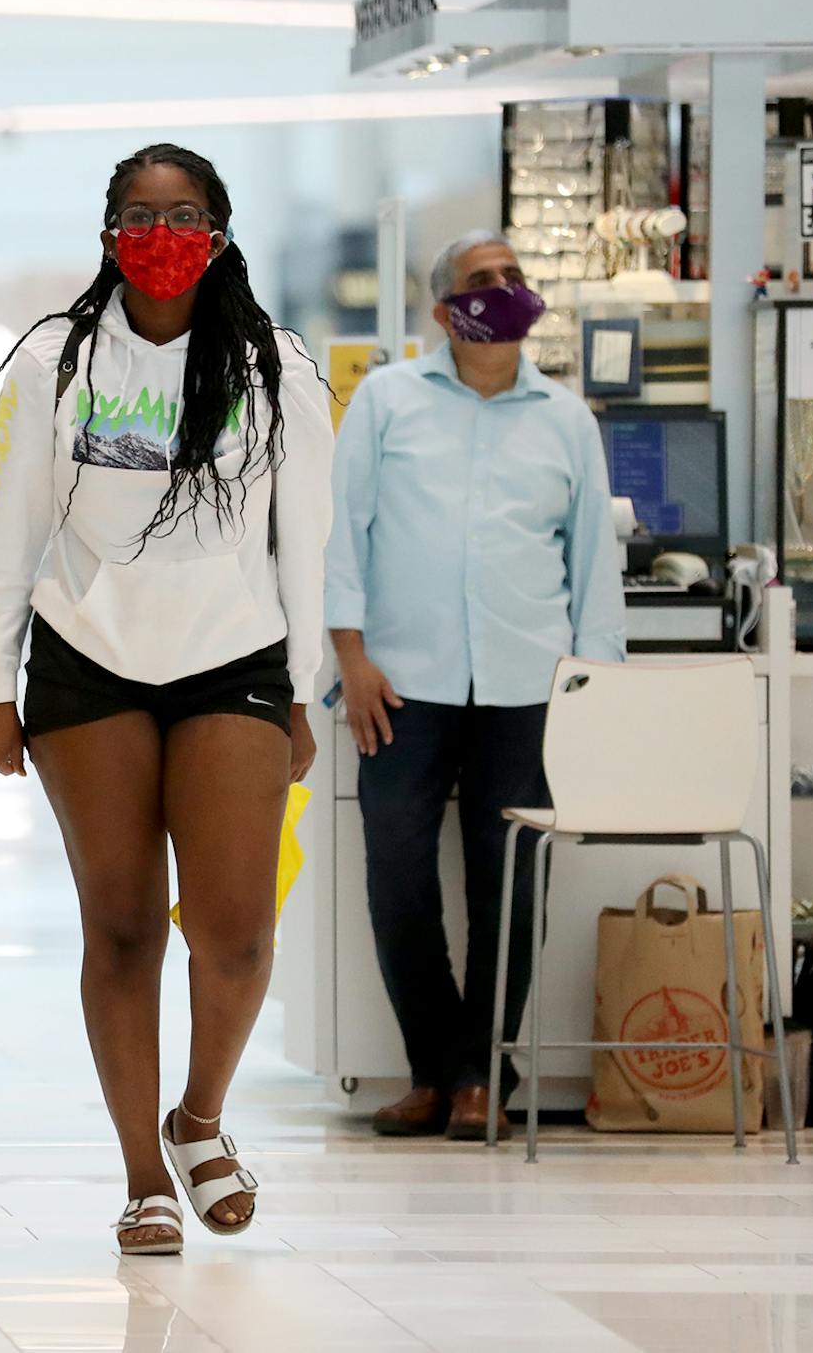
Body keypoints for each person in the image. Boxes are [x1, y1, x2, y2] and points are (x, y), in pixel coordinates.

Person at [0, 145, 335, 1256]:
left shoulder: (277, 363)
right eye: (138, 212)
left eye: (182, 213)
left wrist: (302, 690)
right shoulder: (52, 362)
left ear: (219, 229)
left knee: (236, 933)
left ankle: (200, 1118)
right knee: (121, 926)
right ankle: (143, 1175)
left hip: (235, 660)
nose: (159, 231)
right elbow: (7, 529)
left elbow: (302, 543)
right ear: (108, 228)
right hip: (88, 665)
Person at [326, 230, 626, 1141]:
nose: (503, 290)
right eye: (481, 281)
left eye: (513, 277)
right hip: (400, 685)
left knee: (510, 888)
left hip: (525, 688)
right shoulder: (385, 402)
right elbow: (344, 532)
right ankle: (434, 1070)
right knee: (399, 878)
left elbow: (593, 564)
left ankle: (479, 1081)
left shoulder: (566, 420)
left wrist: (593, 690)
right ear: (443, 309)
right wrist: (350, 657)